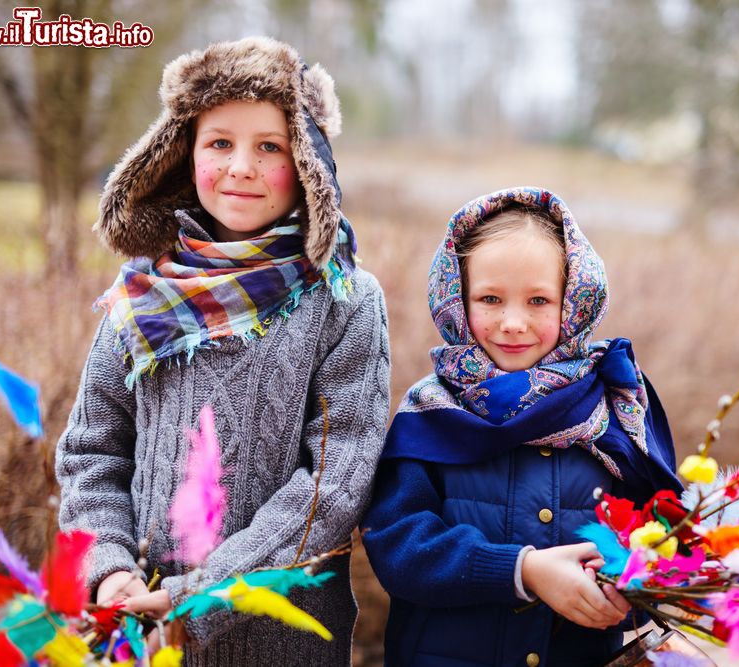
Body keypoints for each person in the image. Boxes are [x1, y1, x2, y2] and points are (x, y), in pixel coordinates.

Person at [55, 37, 390, 666]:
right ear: (183, 153)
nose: (241, 167)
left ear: (310, 164)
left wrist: (201, 597)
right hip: (136, 632)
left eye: (270, 147)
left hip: (281, 638)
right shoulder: (143, 294)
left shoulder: (343, 302)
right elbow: (92, 450)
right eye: (220, 143)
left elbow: (334, 483)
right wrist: (108, 569)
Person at [362, 187, 683, 666]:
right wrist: (522, 570)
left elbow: (658, 536)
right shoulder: (431, 412)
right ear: (457, 300)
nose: (513, 322)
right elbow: (398, 547)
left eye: (538, 300)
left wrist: (628, 588)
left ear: (572, 304)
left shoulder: (614, 411)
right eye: (490, 298)